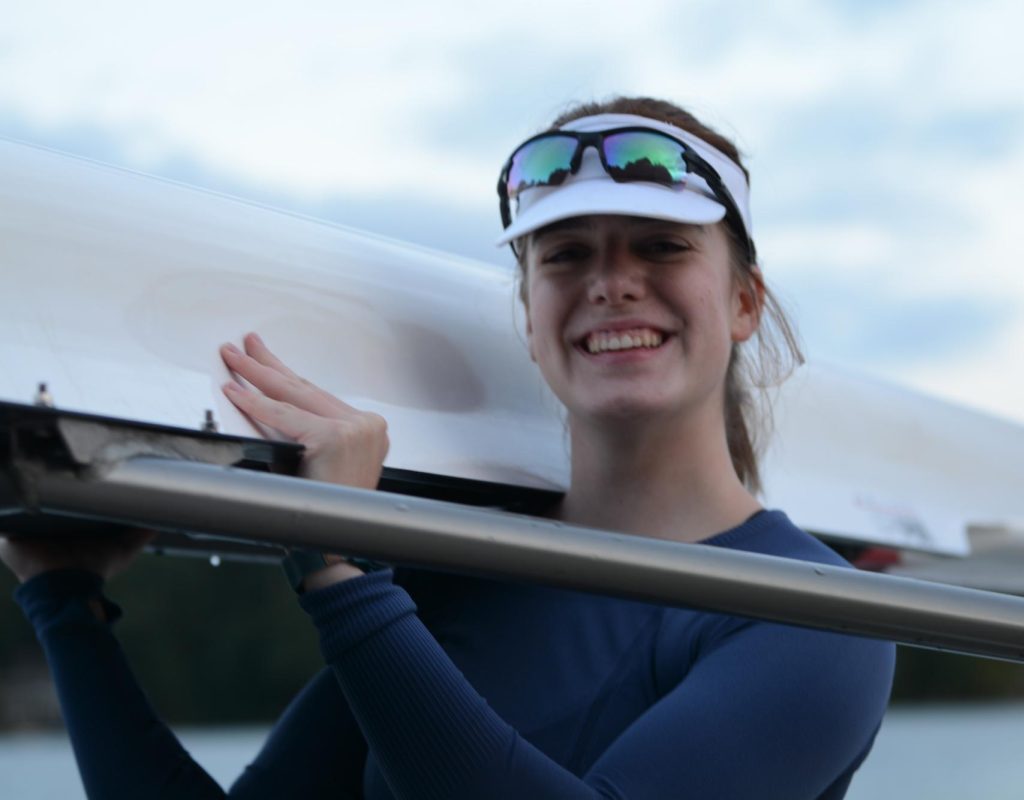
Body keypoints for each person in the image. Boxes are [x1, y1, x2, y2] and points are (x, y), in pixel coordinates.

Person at [2, 96, 895, 799]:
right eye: (566, 255)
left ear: (743, 302)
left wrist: (339, 569)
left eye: (661, 248)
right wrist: (63, 599)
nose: (612, 284)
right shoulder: (453, 576)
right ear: (531, 318)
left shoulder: (818, 620)